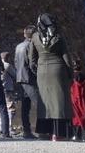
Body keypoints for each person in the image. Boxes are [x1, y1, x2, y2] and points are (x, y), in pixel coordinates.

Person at [29, 13, 73, 141]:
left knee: (44, 103)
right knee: (60, 103)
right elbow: (66, 57)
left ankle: (44, 132)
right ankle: (58, 133)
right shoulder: (58, 36)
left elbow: (32, 59)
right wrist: (70, 73)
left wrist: (37, 71)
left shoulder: (35, 37)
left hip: (42, 72)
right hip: (58, 71)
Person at [15, 25, 46, 139]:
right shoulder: (31, 45)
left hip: (20, 78)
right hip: (29, 79)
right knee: (40, 105)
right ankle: (42, 131)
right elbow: (32, 63)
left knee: (25, 107)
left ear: (24, 34)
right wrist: (39, 74)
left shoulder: (18, 46)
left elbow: (16, 62)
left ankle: (26, 131)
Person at [70, 60, 85, 141]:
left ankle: (77, 136)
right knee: (84, 118)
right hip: (84, 100)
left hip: (75, 100)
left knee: (76, 118)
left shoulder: (72, 77)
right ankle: (84, 137)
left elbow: (70, 89)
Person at [0, 51, 17, 135]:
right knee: (10, 107)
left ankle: (1, 126)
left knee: (0, 108)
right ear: (7, 58)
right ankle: (9, 126)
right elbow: (15, 75)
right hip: (8, 89)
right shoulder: (7, 65)